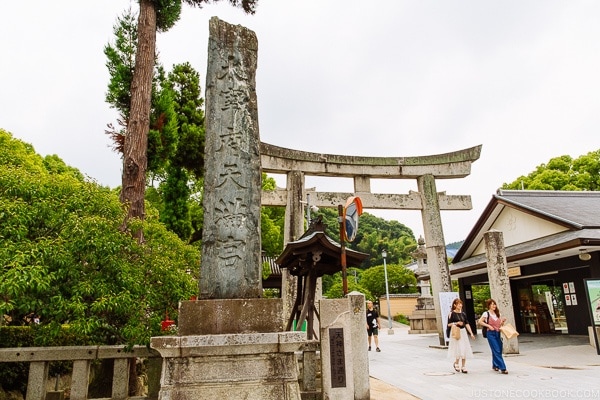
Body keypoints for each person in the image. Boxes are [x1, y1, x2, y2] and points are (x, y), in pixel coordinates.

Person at [478, 298, 508, 374]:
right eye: (492, 304)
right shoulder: (486, 314)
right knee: (496, 349)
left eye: (494, 304)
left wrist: (502, 322)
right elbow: (480, 322)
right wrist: (488, 325)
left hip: (497, 333)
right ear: (489, 306)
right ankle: (503, 367)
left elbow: (499, 325)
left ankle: (495, 365)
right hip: (490, 333)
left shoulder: (497, 314)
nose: (494, 306)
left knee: (499, 348)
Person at [447, 298, 475, 373]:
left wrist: (471, 333)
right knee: (458, 348)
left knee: (464, 348)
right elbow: (449, 324)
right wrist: (456, 323)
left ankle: (463, 366)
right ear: (454, 305)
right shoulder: (451, 314)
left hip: (463, 332)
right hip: (456, 332)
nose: (460, 305)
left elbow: (467, 323)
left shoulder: (463, 314)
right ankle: (456, 363)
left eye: (461, 304)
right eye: (458, 304)